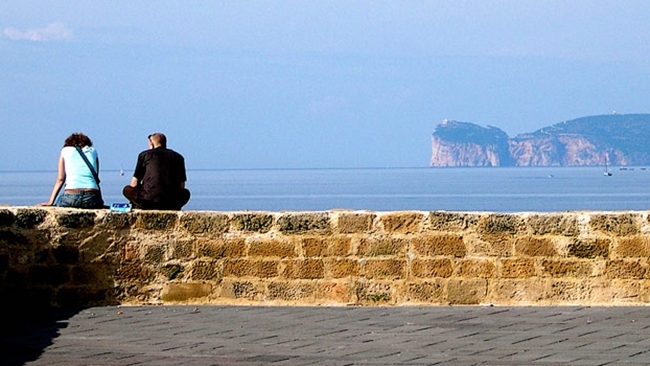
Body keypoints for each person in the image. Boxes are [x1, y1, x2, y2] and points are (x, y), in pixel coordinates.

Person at [123, 132, 190, 210]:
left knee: (127, 189)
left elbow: (134, 183)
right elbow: (181, 185)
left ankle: (139, 205)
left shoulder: (144, 155)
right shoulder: (178, 157)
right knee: (186, 193)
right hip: (171, 202)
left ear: (151, 144)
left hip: (147, 201)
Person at [39, 133, 104, 208]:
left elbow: (60, 179)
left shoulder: (65, 151)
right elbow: (95, 178)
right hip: (91, 196)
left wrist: (50, 202)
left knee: (59, 201)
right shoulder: (93, 151)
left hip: (72, 195)